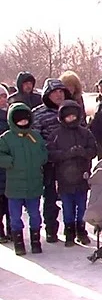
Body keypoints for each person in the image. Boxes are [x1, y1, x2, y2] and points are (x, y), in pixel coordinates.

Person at [47, 101, 98, 247]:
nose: (71, 119)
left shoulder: (85, 133)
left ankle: (81, 230)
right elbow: (50, 153)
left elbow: (93, 150)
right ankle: (69, 231)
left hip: (82, 176)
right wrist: (66, 154)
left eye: (73, 116)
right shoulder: (56, 134)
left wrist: (82, 152)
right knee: (67, 207)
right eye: (68, 116)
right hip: (64, 178)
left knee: (81, 206)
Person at [0, 103, 48, 255]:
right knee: (15, 216)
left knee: (35, 214)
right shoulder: (6, 138)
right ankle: (18, 242)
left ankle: (35, 240)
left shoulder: (35, 136)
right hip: (14, 187)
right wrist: (10, 162)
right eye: (19, 120)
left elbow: (44, 152)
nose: (22, 122)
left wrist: (40, 159)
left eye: (25, 119)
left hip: (33, 184)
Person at [32, 79, 74, 243]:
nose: (59, 95)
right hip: (50, 163)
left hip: (71, 163)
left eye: (61, 91)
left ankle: (74, 229)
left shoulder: (72, 110)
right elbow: (35, 139)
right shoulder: (38, 113)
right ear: (47, 94)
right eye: (55, 92)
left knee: (73, 198)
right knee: (50, 197)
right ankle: (51, 229)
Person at [0, 85, 10, 242]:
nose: (2, 99)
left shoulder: (10, 116)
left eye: (4, 96)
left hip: (10, 166)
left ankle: (12, 229)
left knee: (10, 201)